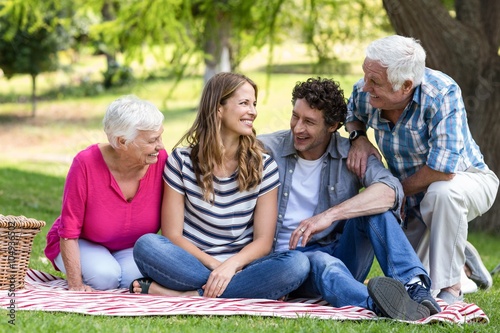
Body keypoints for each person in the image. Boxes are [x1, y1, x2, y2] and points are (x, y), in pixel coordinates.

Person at [258, 77, 440, 321]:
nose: (297, 128)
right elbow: (219, 151)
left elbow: (390, 190)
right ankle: (380, 305)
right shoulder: (269, 148)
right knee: (322, 262)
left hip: (340, 254)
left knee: (376, 210)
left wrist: (329, 216)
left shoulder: (351, 155)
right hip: (285, 263)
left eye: (309, 122)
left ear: (333, 125)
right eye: (295, 116)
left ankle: (414, 287)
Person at [345, 35, 499, 304]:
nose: (365, 86)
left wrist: (392, 192)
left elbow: (443, 170)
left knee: (442, 193)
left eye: (375, 82)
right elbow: (352, 115)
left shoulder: (441, 93)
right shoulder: (366, 90)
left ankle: (452, 289)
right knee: (413, 282)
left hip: (467, 180)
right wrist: (358, 138)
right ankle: (464, 261)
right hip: (412, 197)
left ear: (406, 85)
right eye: (365, 77)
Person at [130, 72, 309, 300]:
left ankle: (190, 295)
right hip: (191, 263)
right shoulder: (181, 161)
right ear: (218, 109)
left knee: (297, 264)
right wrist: (218, 267)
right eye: (244, 103)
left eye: (254, 104)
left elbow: (264, 242)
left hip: (242, 264)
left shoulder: (264, 166)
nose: (253, 111)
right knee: (147, 245)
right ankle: (241, 289)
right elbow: (172, 235)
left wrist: (232, 265)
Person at [44, 95, 167, 291]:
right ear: (122, 142)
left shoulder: (159, 160)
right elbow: (69, 230)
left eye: (160, 137)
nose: (160, 146)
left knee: (131, 280)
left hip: (130, 247)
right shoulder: (85, 164)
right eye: (153, 140)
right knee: (105, 277)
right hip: (84, 243)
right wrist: (76, 285)